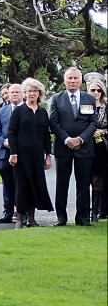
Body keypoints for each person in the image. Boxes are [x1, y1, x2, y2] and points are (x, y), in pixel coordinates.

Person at [49, 67, 98, 227]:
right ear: (65, 80)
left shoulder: (89, 99)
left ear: (81, 81)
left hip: (84, 148)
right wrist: (68, 139)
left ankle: (82, 218)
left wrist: (80, 139)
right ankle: (61, 218)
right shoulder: (57, 98)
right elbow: (54, 123)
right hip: (64, 148)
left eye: (75, 79)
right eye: (69, 78)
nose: (72, 82)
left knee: (83, 184)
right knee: (61, 183)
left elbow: (93, 123)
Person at [7, 78, 54, 229]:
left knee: (35, 184)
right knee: (22, 186)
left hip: (37, 155)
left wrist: (48, 155)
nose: (32, 93)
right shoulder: (19, 111)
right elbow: (11, 132)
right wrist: (13, 153)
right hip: (21, 155)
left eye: (35, 91)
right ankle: (20, 218)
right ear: (24, 93)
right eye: (29, 91)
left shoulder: (42, 112)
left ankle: (31, 219)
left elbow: (46, 135)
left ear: (39, 93)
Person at [0, 84, 24, 224]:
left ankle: (23, 213)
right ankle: (8, 212)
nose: (14, 95)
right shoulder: (2, 111)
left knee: (22, 184)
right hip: (4, 153)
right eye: (12, 93)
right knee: (7, 184)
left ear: (22, 93)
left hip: (22, 154)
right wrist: (4, 142)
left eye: (17, 92)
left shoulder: (27, 110)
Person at [86, 79, 107, 222]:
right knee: (85, 179)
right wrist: (90, 132)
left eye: (99, 90)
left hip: (101, 148)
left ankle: (96, 211)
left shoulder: (106, 107)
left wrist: (102, 132)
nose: (96, 93)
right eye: (93, 90)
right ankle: (84, 211)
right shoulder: (85, 106)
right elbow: (80, 124)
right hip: (87, 146)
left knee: (98, 179)